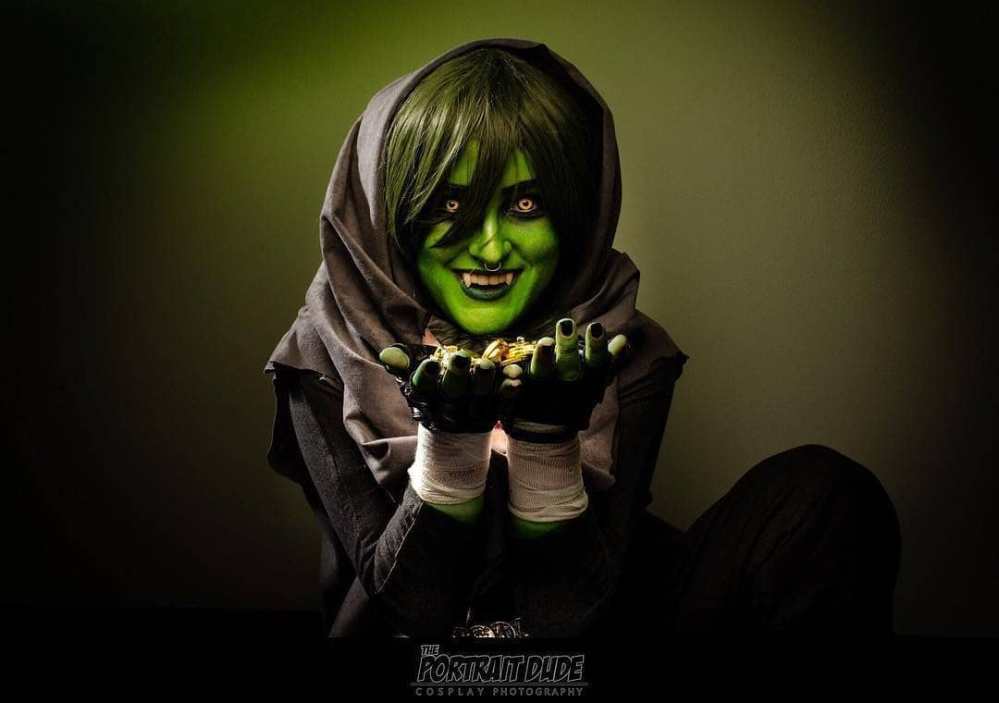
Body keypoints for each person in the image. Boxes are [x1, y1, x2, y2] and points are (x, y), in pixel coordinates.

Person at [263, 38, 901, 638]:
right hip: (423, 658)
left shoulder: (625, 349)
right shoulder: (324, 352)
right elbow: (414, 608)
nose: (490, 250)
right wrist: (452, 439)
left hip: (601, 630)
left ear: (574, 216)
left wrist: (547, 436)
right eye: (449, 206)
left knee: (825, 494)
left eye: (526, 205)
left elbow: (566, 612)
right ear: (389, 214)